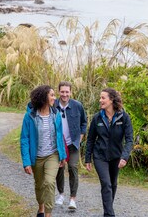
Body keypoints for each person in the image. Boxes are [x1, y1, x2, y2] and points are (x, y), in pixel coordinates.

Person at [85, 88, 133, 217]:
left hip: (116, 156)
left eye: (103, 98)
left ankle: (108, 210)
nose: (100, 100)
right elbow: (90, 139)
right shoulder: (97, 118)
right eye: (100, 98)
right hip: (100, 156)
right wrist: (88, 158)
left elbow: (129, 140)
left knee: (113, 184)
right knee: (106, 184)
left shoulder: (124, 117)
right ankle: (109, 214)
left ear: (111, 100)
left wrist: (125, 157)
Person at [21, 85, 67, 217]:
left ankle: (48, 213)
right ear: (43, 97)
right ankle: (40, 207)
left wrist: (62, 156)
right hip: (37, 157)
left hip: (52, 155)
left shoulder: (56, 114)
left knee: (49, 182)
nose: (55, 98)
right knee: (39, 185)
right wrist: (26, 162)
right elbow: (25, 139)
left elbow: (59, 137)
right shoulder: (29, 116)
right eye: (52, 95)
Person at [54, 81, 87, 210]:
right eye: (62, 91)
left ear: (71, 92)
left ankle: (73, 198)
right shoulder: (53, 105)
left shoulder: (77, 105)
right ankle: (61, 194)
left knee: (73, 167)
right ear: (59, 92)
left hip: (72, 143)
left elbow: (84, 122)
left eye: (67, 92)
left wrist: (80, 137)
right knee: (59, 168)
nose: (65, 94)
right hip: (58, 144)